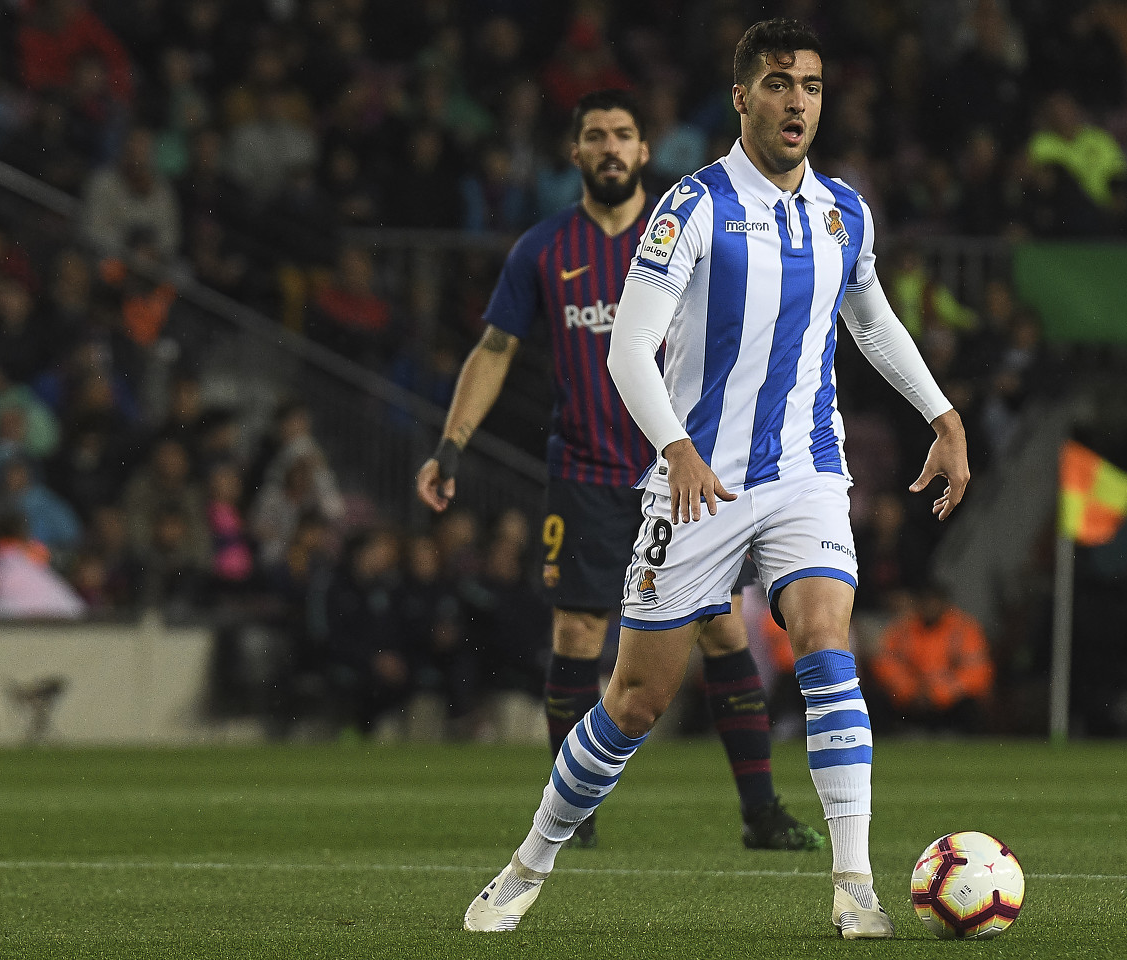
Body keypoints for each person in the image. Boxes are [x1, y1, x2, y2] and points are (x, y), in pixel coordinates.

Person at [462, 19, 969, 938]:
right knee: (635, 701)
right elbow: (627, 349)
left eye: (811, 85)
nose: (797, 102)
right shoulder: (691, 206)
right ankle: (529, 861)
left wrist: (942, 414)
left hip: (807, 470)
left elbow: (871, 321)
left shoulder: (844, 211)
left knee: (825, 641)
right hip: (698, 485)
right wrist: (676, 449)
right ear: (741, 98)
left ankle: (855, 886)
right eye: (778, 83)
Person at [417, 88, 823, 853]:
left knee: (719, 628)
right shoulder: (543, 249)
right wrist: (451, 444)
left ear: (644, 151)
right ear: (575, 152)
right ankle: (573, 814)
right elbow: (495, 349)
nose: (610, 147)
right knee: (577, 631)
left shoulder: (688, 232)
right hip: (586, 470)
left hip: (684, 474)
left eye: (623, 135)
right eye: (596, 135)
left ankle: (761, 811)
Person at [867, 581, 995, 734]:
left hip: (950, 702)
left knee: (972, 704)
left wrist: (937, 694)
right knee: (875, 699)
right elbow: (885, 665)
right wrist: (910, 691)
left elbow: (977, 672)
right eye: (925, 601)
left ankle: (959, 739)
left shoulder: (964, 628)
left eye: (934, 601)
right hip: (911, 700)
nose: (930, 606)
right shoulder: (903, 628)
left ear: (944, 602)